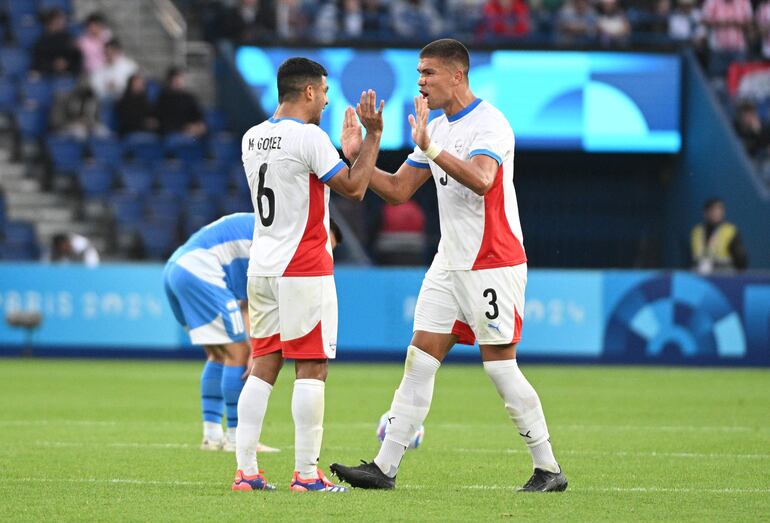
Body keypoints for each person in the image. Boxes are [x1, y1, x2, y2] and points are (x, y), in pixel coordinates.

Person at [330, 39, 567, 493]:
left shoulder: (490, 123)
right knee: (419, 359)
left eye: (428, 73)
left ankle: (549, 469)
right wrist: (357, 156)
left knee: (500, 368)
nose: (420, 82)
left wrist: (432, 148)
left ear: (457, 75)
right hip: (450, 262)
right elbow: (398, 189)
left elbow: (483, 179)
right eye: (418, 73)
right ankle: (384, 467)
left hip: (491, 261)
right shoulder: (435, 127)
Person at [231, 57, 384, 492]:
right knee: (312, 365)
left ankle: (246, 472)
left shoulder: (252, 137)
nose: (328, 101)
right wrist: (372, 137)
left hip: (262, 265)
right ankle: (306, 474)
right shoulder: (310, 137)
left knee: (263, 364)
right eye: (325, 92)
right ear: (310, 91)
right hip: (302, 265)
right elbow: (354, 188)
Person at [165, 212, 334, 452]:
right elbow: (254, 302)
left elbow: (247, 302)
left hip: (176, 267)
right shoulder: (280, 236)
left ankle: (212, 435)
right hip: (200, 270)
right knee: (239, 352)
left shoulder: (263, 222)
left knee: (219, 353)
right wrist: (255, 348)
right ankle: (236, 437)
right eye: (329, 245)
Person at [690, 198, 748, 274]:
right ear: (705, 212)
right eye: (712, 210)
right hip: (698, 276)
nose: (716, 213)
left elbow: (740, 258)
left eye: (719, 210)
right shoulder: (697, 231)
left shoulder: (729, 231)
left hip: (723, 276)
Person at [154, 67, 207, 137]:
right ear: (170, 81)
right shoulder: (163, 98)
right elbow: (163, 121)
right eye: (176, 79)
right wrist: (185, 128)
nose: (179, 81)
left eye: (180, 78)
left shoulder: (189, 97)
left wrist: (199, 126)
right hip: (172, 132)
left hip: (191, 131)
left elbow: (197, 115)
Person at [32, 8, 82, 75]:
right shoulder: (42, 41)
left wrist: (67, 63)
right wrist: (54, 65)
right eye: (58, 20)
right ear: (51, 22)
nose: (62, 23)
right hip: (50, 75)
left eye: (62, 20)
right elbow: (38, 62)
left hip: (68, 74)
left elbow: (76, 59)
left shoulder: (68, 38)